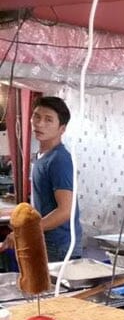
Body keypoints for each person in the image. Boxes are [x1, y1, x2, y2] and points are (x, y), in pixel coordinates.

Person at [0, 96, 82, 262]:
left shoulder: (60, 159)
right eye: (36, 116)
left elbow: (65, 211)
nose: (39, 123)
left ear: (62, 128)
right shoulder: (41, 157)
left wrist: (25, 232)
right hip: (46, 241)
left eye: (48, 119)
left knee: (50, 288)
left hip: (59, 246)